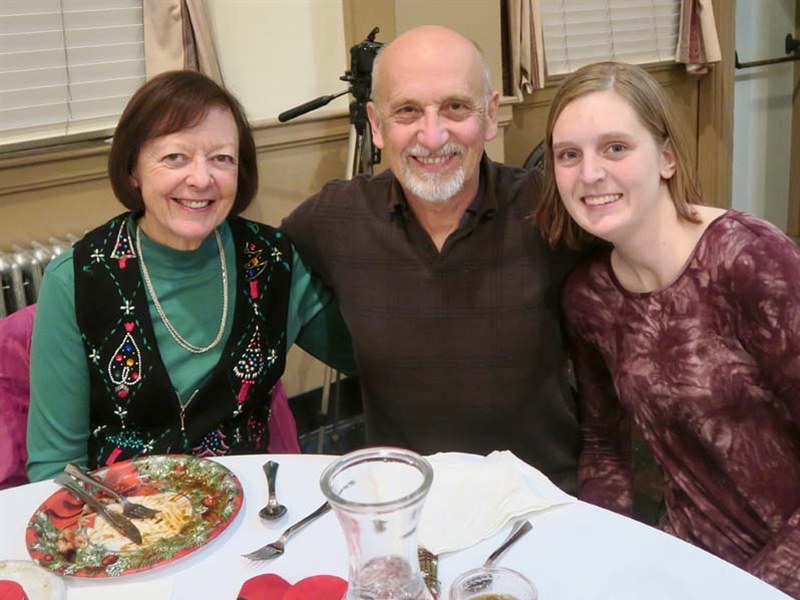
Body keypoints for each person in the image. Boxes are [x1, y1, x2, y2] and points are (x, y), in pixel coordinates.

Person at [536, 61, 800, 596]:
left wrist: (754, 589)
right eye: (569, 155)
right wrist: (603, 557)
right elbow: (604, 445)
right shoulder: (590, 298)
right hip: (687, 553)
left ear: (667, 158)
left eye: (615, 147)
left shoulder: (748, 260)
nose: (590, 174)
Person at [283, 26, 580, 492]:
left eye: (456, 107)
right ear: (376, 124)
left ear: (491, 115)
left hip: (541, 500)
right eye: (407, 110)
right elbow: (250, 267)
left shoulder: (551, 212)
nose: (434, 135)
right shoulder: (336, 219)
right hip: (405, 499)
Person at [27, 71, 353, 482]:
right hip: (124, 512)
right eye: (175, 157)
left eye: (222, 158)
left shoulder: (273, 261)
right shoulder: (77, 280)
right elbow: (56, 467)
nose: (201, 179)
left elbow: (374, 360)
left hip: (248, 503)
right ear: (133, 170)